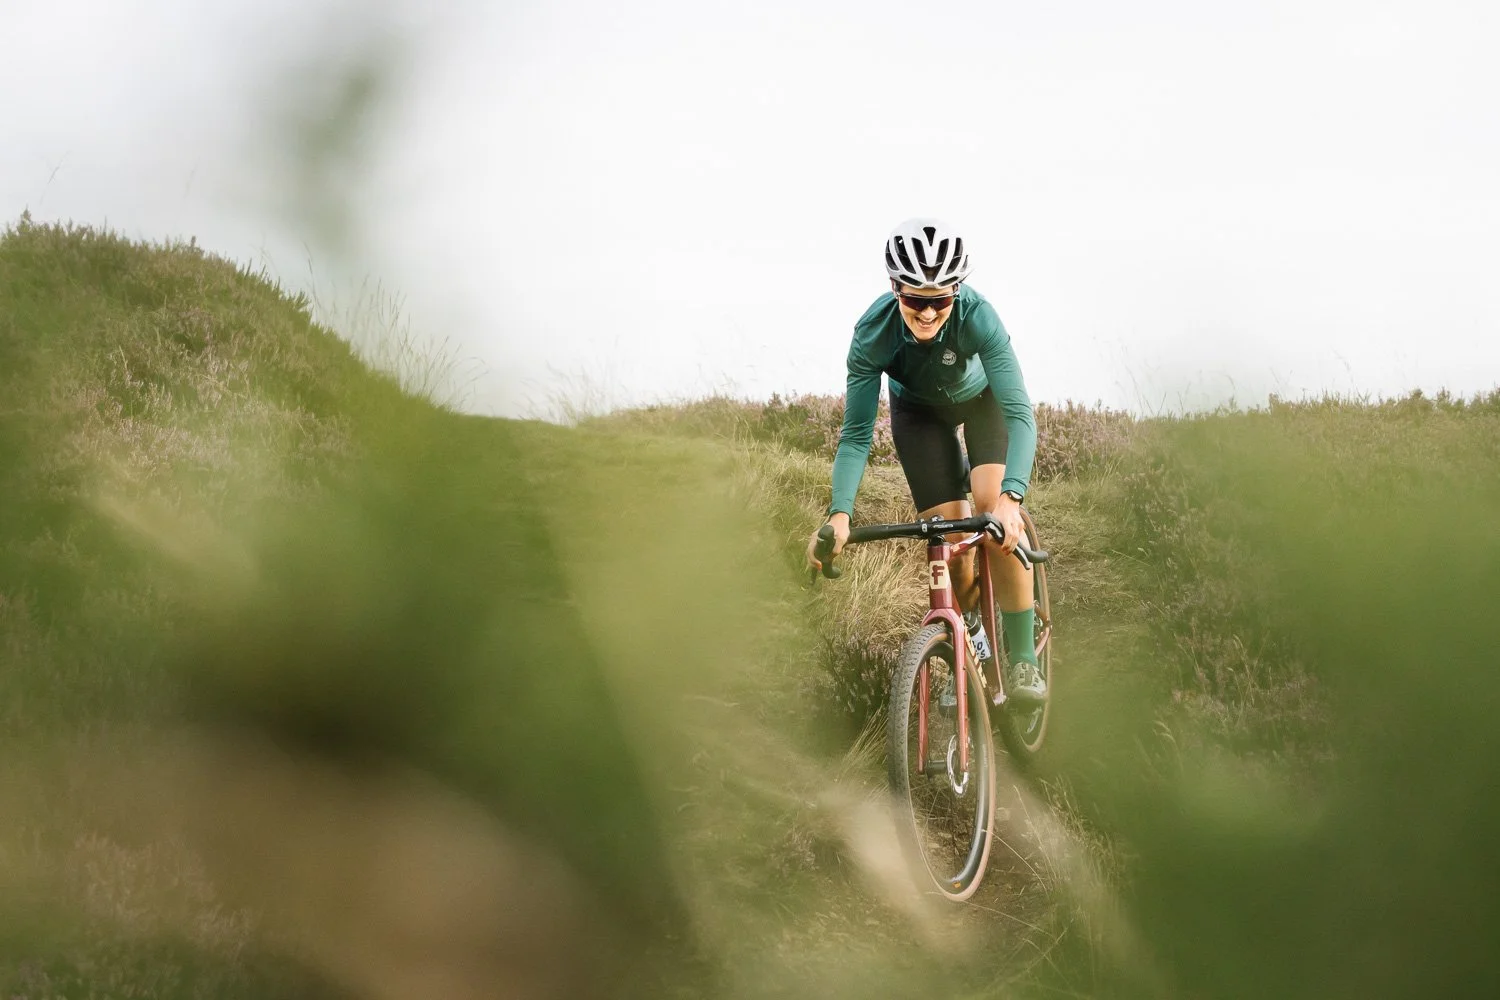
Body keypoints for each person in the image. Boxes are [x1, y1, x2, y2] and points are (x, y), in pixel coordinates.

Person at [805, 218, 1045, 704]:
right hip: (918, 415)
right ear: (895, 289)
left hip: (984, 405)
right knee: (949, 542)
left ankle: (1022, 661)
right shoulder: (873, 334)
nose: (929, 311)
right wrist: (839, 513)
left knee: (990, 509)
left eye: (941, 299)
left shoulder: (979, 316)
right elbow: (855, 437)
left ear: (957, 292)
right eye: (916, 298)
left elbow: (1020, 415)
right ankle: (970, 636)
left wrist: (1011, 498)